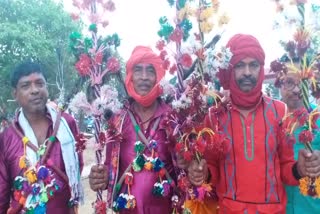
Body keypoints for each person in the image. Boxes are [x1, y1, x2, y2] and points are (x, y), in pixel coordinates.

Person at [186, 34, 320, 214]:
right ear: (229, 70)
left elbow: (286, 169)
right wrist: (202, 174)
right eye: (240, 65)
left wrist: (298, 169)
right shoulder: (215, 116)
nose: (247, 72)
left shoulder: (279, 111)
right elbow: (213, 167)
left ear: (261, 69)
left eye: (253, 65)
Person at [89, 46, 176, 214]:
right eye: (138, 71)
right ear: (130, 76)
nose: (144, 77)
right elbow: (109, 168)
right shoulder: (117, 120)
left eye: (150, 71)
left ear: (158, 76)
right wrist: (100, 178)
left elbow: (183, 169)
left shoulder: (172, 118)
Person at [0, 61, 84, 213]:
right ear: (15, 94)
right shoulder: (7, 138)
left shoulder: (66, 124)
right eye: (26, 86)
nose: (35, 90)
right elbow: (2, 191)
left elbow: (77, 167)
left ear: (47, 87)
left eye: (40, 83)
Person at [278, 67, 320, 213]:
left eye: (302, 82)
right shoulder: (271, 119)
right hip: (278, 207)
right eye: (289, 83)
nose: (297, 90)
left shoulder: (317, 117)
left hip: (312, 207)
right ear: (279, 84)